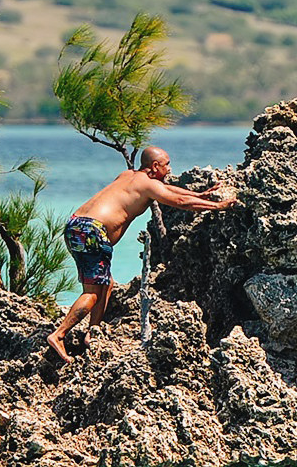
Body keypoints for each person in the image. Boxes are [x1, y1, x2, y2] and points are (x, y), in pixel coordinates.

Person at [46, 147, 239, 364]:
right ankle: (59, 335)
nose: (169, 169)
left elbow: (169, 190)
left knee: (105, 284)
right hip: (93, 232)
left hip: (76, 225)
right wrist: (217, 206)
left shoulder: (128, 175)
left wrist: (199, 195)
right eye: (166, 164)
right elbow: (179, 202)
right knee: (92, 293)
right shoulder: (148, 184)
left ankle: (93, 332)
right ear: (155, 166)